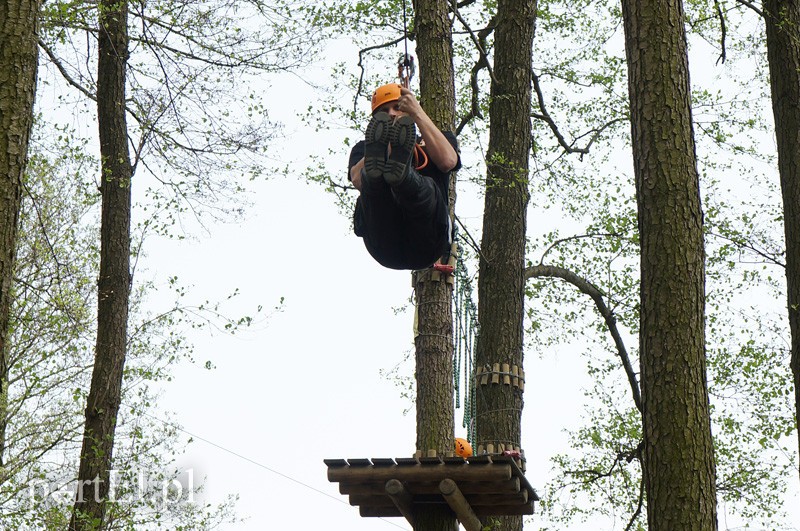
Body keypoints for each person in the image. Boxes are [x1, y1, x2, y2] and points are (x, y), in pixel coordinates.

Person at [348, 83, 461, 270]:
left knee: (424, 192)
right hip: (385, 243)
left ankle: (403, 177)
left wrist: (418, 112)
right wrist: (383, 144)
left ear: (408, 112)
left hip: (428, 240)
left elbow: (448, 161)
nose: (391, 113)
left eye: (397, 107)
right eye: (384, 111)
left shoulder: (435, 140)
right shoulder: (365, 148)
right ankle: (400, 176)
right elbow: (358, 180)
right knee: (372, 183)